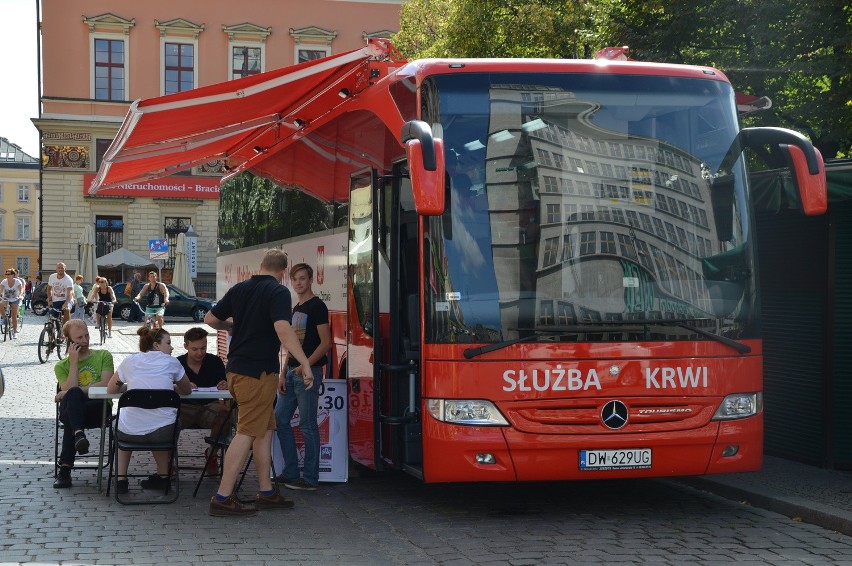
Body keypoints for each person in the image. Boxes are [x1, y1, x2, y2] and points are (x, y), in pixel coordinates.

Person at [203, 248, 313, 517]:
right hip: (258, 372)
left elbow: (210, 319)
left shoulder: (240, 288)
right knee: (248, 431)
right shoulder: (277, 292)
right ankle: (223, 496)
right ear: (283, 272)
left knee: (263, 431)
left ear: (261, 265)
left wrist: (232, 328)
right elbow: (282, 328)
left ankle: (266, 491)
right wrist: (304, 362)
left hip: (237, 369)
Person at [106, 327, 192, 494]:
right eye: (168, 343)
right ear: (156, 345)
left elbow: (110, 389)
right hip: (164, 432)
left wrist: (131, 388)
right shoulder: (172, 362)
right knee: (161, 420)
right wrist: (168, 388)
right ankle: (163, 477)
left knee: (126, 423)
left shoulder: (130, 361)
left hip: (129, 432)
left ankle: (121, 480)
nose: (172, 348)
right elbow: (187, 390)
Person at [274, 263, 331, 491]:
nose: (298, 283)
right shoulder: (295, 307)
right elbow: (290, 344)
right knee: (280, 420)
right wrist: (283, 371)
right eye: (295, 279)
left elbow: (325, 343)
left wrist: (306, 366)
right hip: (291, 372)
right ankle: (290, 473)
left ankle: (309, 479)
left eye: (302, 278)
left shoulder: (317, 307)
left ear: (310, 281)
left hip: (309, 373)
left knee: (308, 426)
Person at [53, 319, 115, 489]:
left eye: (86, 335)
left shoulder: (103, 355)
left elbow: (106, 384)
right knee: (73, 409)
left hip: (99, 409)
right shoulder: (61, 366)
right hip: (75, 412)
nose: (85, 341)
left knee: (71, 414)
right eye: (79, 338)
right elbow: (71, 389)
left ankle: (64, 472)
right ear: (69, 340)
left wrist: (72, 392)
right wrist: (73, 362)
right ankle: (79, 434)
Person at [177, 326, 231, 476]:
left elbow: (226, 382)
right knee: (167, 420)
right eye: (195, 349)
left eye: (203, 348)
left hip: (210, 406)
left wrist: (225, 384)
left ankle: (212, 454)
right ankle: (168, 460)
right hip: (185, 407)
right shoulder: (177, 363)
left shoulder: (214, 362)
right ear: (186, 346)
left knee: (226, 416)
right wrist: (180, 386)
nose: (200, 353)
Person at [1, 269, 23, 336]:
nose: (7, 275)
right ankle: (4, 318)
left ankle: (14, 332)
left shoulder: (17, 281)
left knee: (14, 316)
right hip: (6, 298)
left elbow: (21, 290)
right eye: (6, 274)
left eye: (8, 274)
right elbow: (0, 290)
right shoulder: (4, 282)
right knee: (0, 304)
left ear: (13, 275)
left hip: (15, 299)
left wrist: (20, 296)